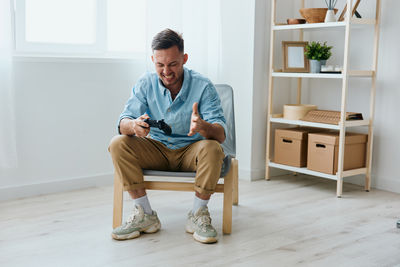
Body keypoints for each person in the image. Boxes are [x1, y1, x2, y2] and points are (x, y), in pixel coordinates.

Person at [108, 29, 226, 244]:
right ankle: (145, 215)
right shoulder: (145, 83)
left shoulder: (203, 86)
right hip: (157, 149)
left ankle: (198, 214)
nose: (166, 71)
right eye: (160, 65)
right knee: (118, 144)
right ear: (153, 60)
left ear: (184, 58)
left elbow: (221, 134)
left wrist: (203, 126)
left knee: (213, 148)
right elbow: (122, 122)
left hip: (192, 152)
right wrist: (134, 126)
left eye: (173, 64)